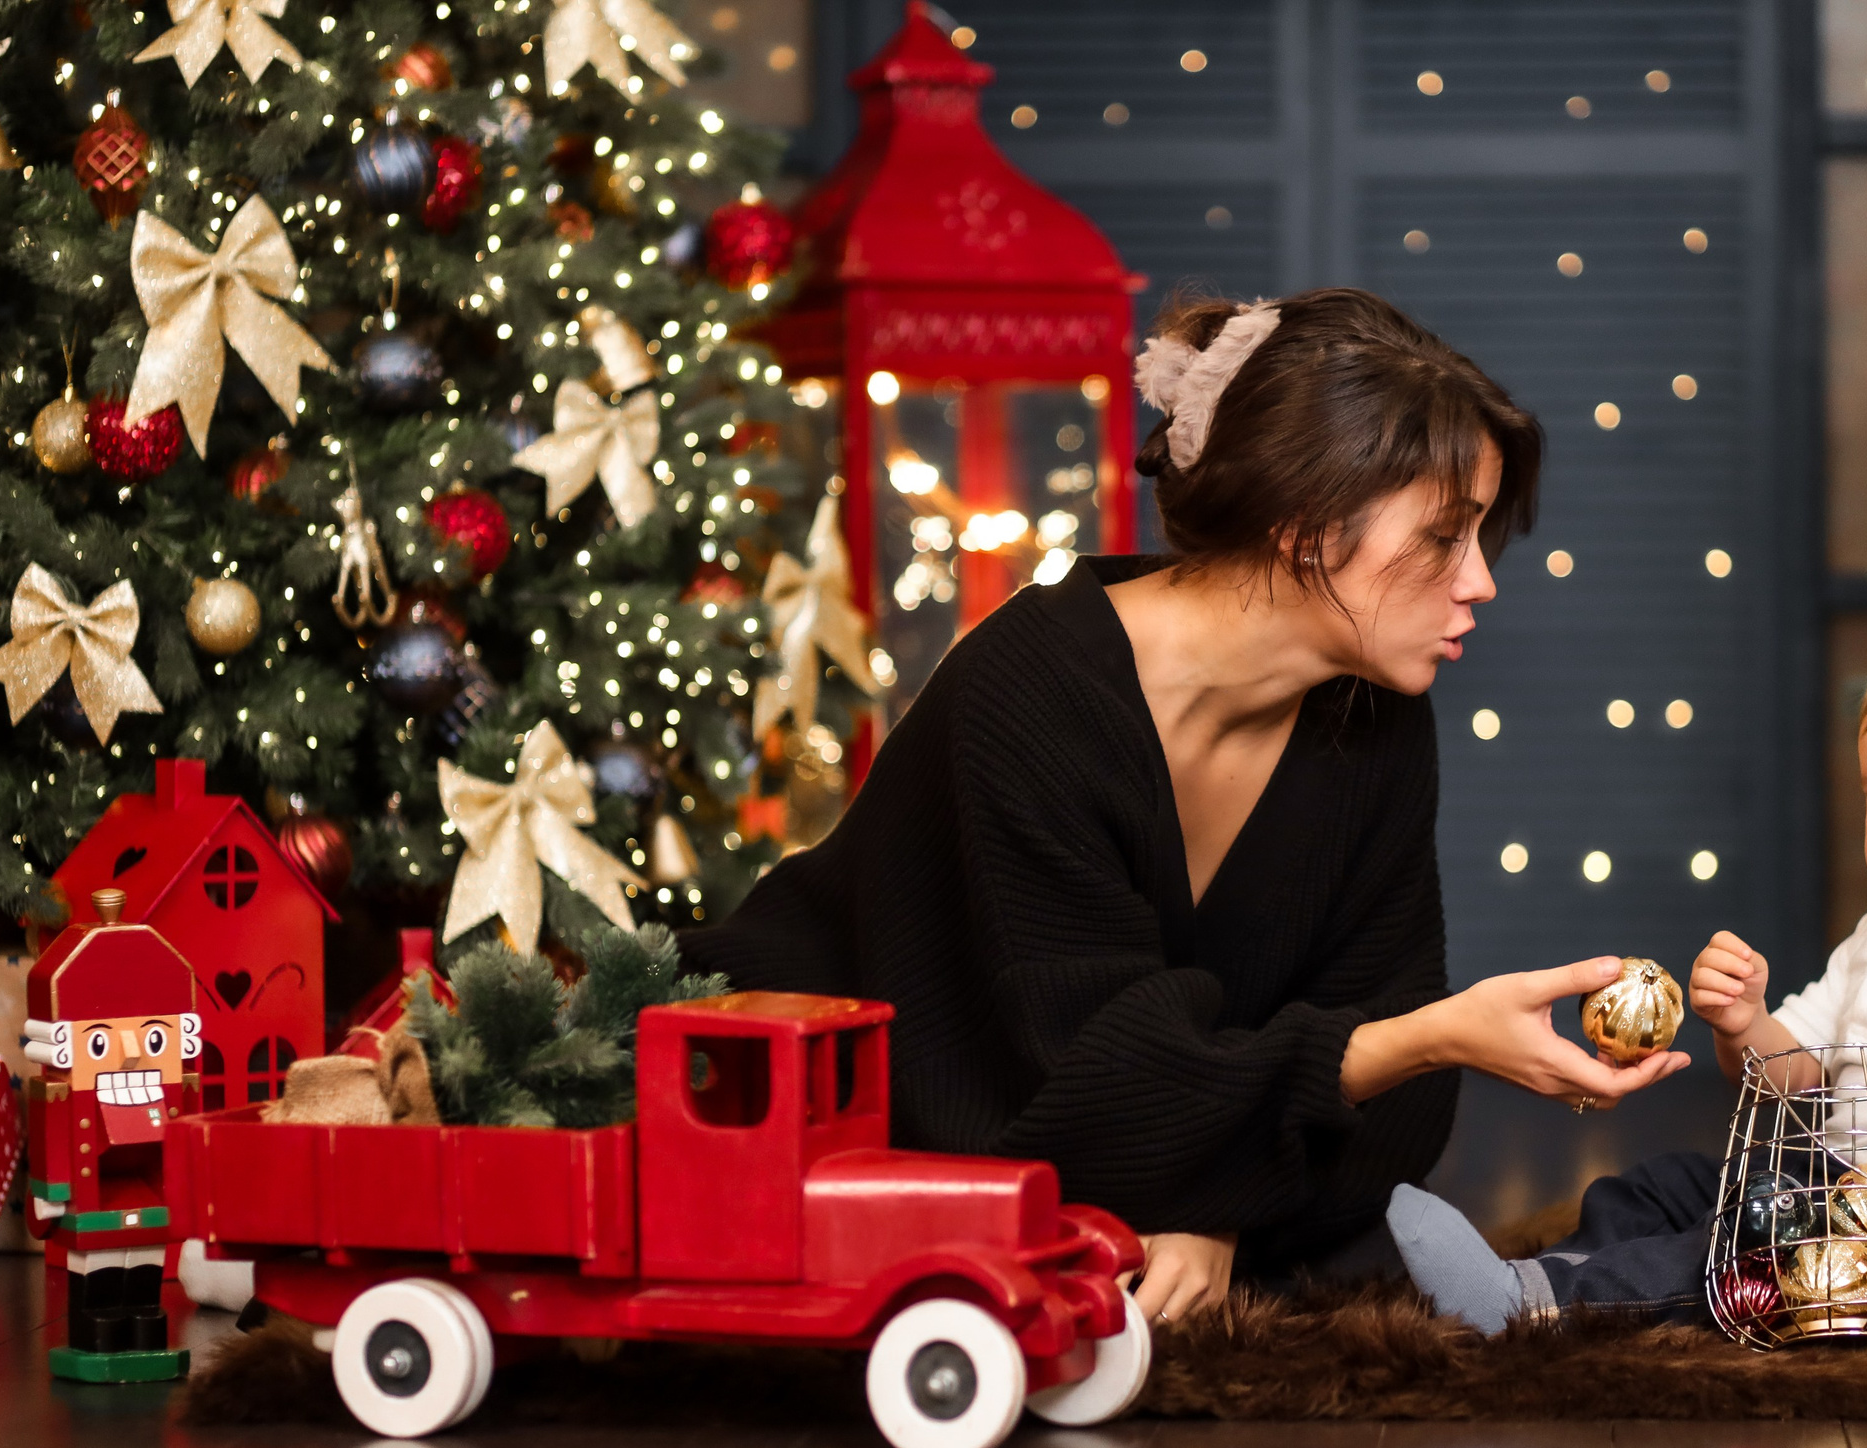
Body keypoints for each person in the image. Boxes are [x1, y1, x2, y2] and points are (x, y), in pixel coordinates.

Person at [684, 287, 1690, 1322]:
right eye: (1443, 537)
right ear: (1304, 530)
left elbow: (1395, 1122)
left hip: (1115, 1172)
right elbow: (1076, 1098)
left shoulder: (1372, 717)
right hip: (805, 1117)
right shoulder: (1029, 695)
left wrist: (1212, 1202)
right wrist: (1419, 1042)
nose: (1478, 581)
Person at [1391, 613, 1867, 1327]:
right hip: (1826, 1193)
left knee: (1746, 1252)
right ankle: (1559, 1268)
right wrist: (1744, 1021)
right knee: (1678, 1183)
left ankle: (1542, 1304)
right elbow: (1788, 1072)